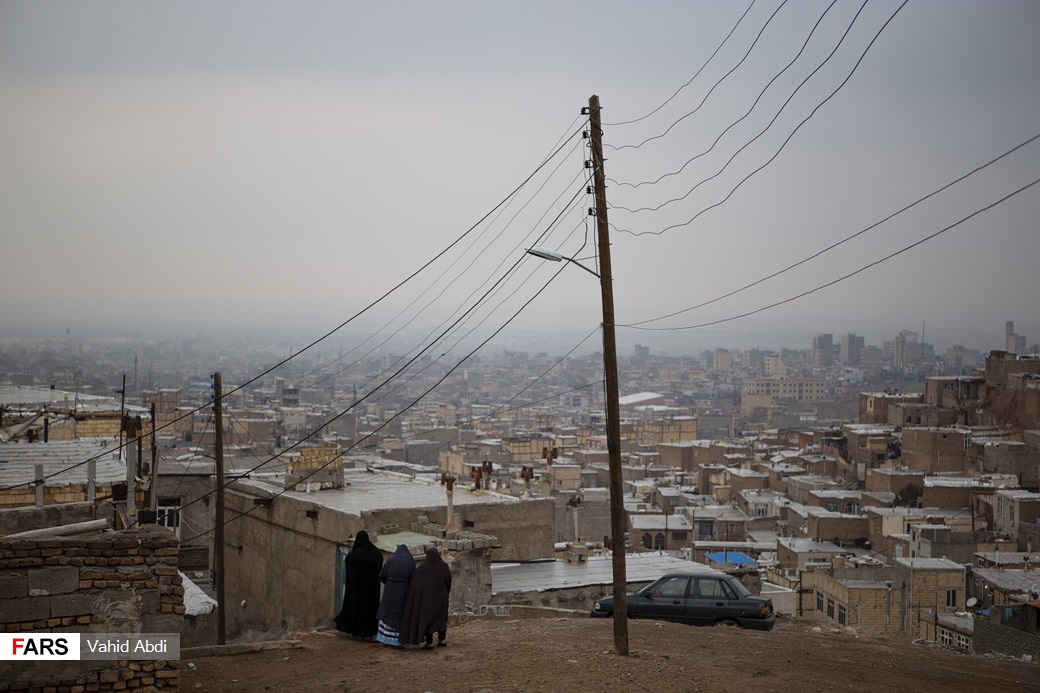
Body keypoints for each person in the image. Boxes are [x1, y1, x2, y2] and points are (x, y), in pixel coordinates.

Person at [334, 530, 383, 640]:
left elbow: (348, 567)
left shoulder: (353, 555)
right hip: (373, 590)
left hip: (357, 590)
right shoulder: (376, 553)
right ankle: (371, 633)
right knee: (371, 610)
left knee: (358, 610)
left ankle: (359, 633)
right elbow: (380, 566)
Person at [400, 547, 452, 650]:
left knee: (428, 620)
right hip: (441, 598)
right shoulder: (443, 566)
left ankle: (429, 643)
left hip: (427, 600)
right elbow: (448, 580)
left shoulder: (422, 568)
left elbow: (415, 584)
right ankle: (442, 640)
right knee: (441, 619)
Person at [375, 544, 416, 647]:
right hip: (403, 591)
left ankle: (386, 639)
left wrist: (390, 583)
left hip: (390, 590)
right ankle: (398, 640)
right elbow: (413, 577)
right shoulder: (410, 561)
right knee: (400, 615)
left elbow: (382, 575)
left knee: (388, 613)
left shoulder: (391, 559)